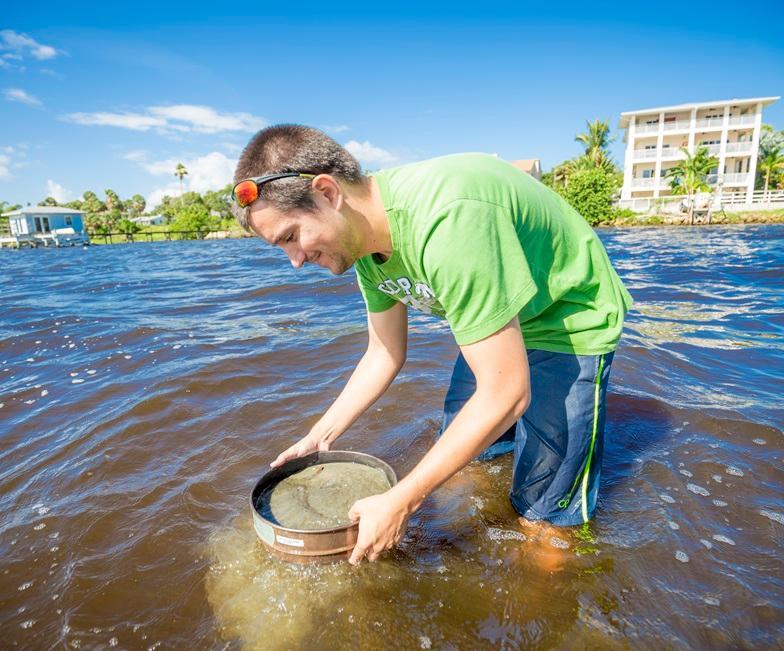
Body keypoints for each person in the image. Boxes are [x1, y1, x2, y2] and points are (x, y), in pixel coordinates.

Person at [232, 125, 632, 565]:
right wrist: (318, 436)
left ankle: (545, 603)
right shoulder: (363, 246)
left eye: (291, 236)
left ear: (327, 193)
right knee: (472, 463)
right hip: (500, 311)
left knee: (543, 523)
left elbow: (507, 392)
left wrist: (401, 500)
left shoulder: (448, 220)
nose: (295, 260)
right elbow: (384, 352)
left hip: (566, 315)